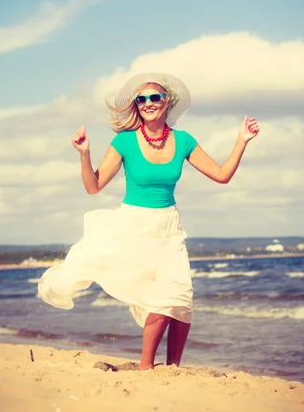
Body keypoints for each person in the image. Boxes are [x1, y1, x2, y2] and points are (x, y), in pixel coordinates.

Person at [38, 72, 259, 370]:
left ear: (168, 102)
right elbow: (94, 187)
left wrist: (241, 140)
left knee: (180, 298)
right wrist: (84, 153)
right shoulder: (125, 142)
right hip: (134, 226)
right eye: (141, 99)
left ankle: (173, 368)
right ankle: (146, 368)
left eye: (155, 97)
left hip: (169, 228)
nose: (147, 103)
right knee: (159, 302)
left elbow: (221, 175)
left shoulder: (184, 141)